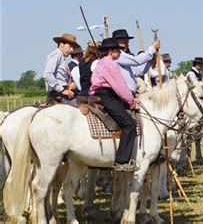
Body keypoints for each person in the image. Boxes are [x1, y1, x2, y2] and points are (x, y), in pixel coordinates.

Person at [89, 38, 140, 172]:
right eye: (118, 50)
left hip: (103, 94)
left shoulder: (102, 62)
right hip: (107, 96)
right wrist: (132, 102)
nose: (120, 52)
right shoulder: (110, 64)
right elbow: (120, 86)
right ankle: (121, 161)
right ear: (110, 51)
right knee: (130, 124)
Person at [112, 29, 160, 94]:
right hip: (121, 96)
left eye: (127, 42)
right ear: (117, 42)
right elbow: (137, 61)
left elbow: (138, 71)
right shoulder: (117, 55)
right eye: (125, 42)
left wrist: (149, 62)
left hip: (130, 94)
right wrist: (152, 48)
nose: (127, 44)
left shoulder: (124, 55)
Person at [43, 33, 81, 106]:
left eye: (72, 47)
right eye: (70, 46)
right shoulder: (56, 55)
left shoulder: (61, 57)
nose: (72, 50)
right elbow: (48, 74)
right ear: (61, 45)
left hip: (61, 92)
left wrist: (70, 84)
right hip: (58, 94)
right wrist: (62, 90)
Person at [186, 57, 203, 162]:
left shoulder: (198, 74)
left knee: (199, 131)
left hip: (197, 99)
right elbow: (194, 88)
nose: (201, 66)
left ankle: (198, 154)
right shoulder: (191, 74)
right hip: (192, 100)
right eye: (200, 64)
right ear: (197, 64)